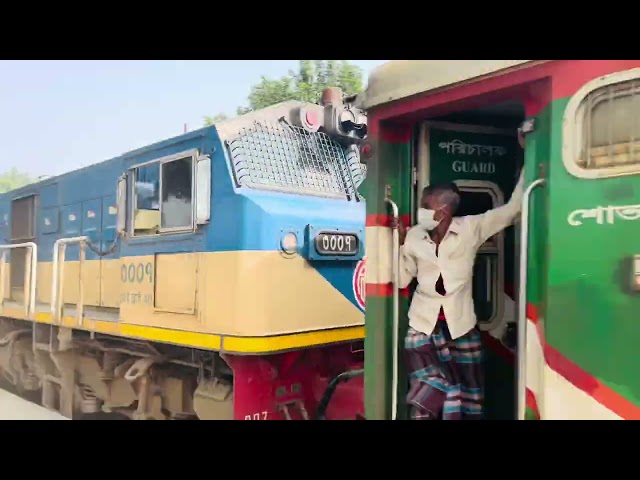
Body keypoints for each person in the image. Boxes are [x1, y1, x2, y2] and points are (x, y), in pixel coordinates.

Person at [395, 131, 525, 420]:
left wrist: (531, 154)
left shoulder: (471, 228)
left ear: (443, 211)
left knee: (466, 395)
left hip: (460, 324)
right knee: (427, 394)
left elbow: (513, 210)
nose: (421, 212)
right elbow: (403, 279)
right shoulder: (415, 236)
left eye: (426, 207)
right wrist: (399, 245)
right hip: (423, 326)